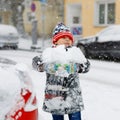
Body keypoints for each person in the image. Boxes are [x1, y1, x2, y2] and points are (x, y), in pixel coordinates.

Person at [32, 23, 90, 120]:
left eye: (69, 38)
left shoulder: (75, 53)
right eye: (63, 37)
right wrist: (44, 66)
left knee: (75, 118)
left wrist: (77, 67)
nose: (67, 40)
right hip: (54, 97)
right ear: (55, 41)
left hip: (73, 97)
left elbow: (86, 65)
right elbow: (36, 62)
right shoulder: (49, 53)